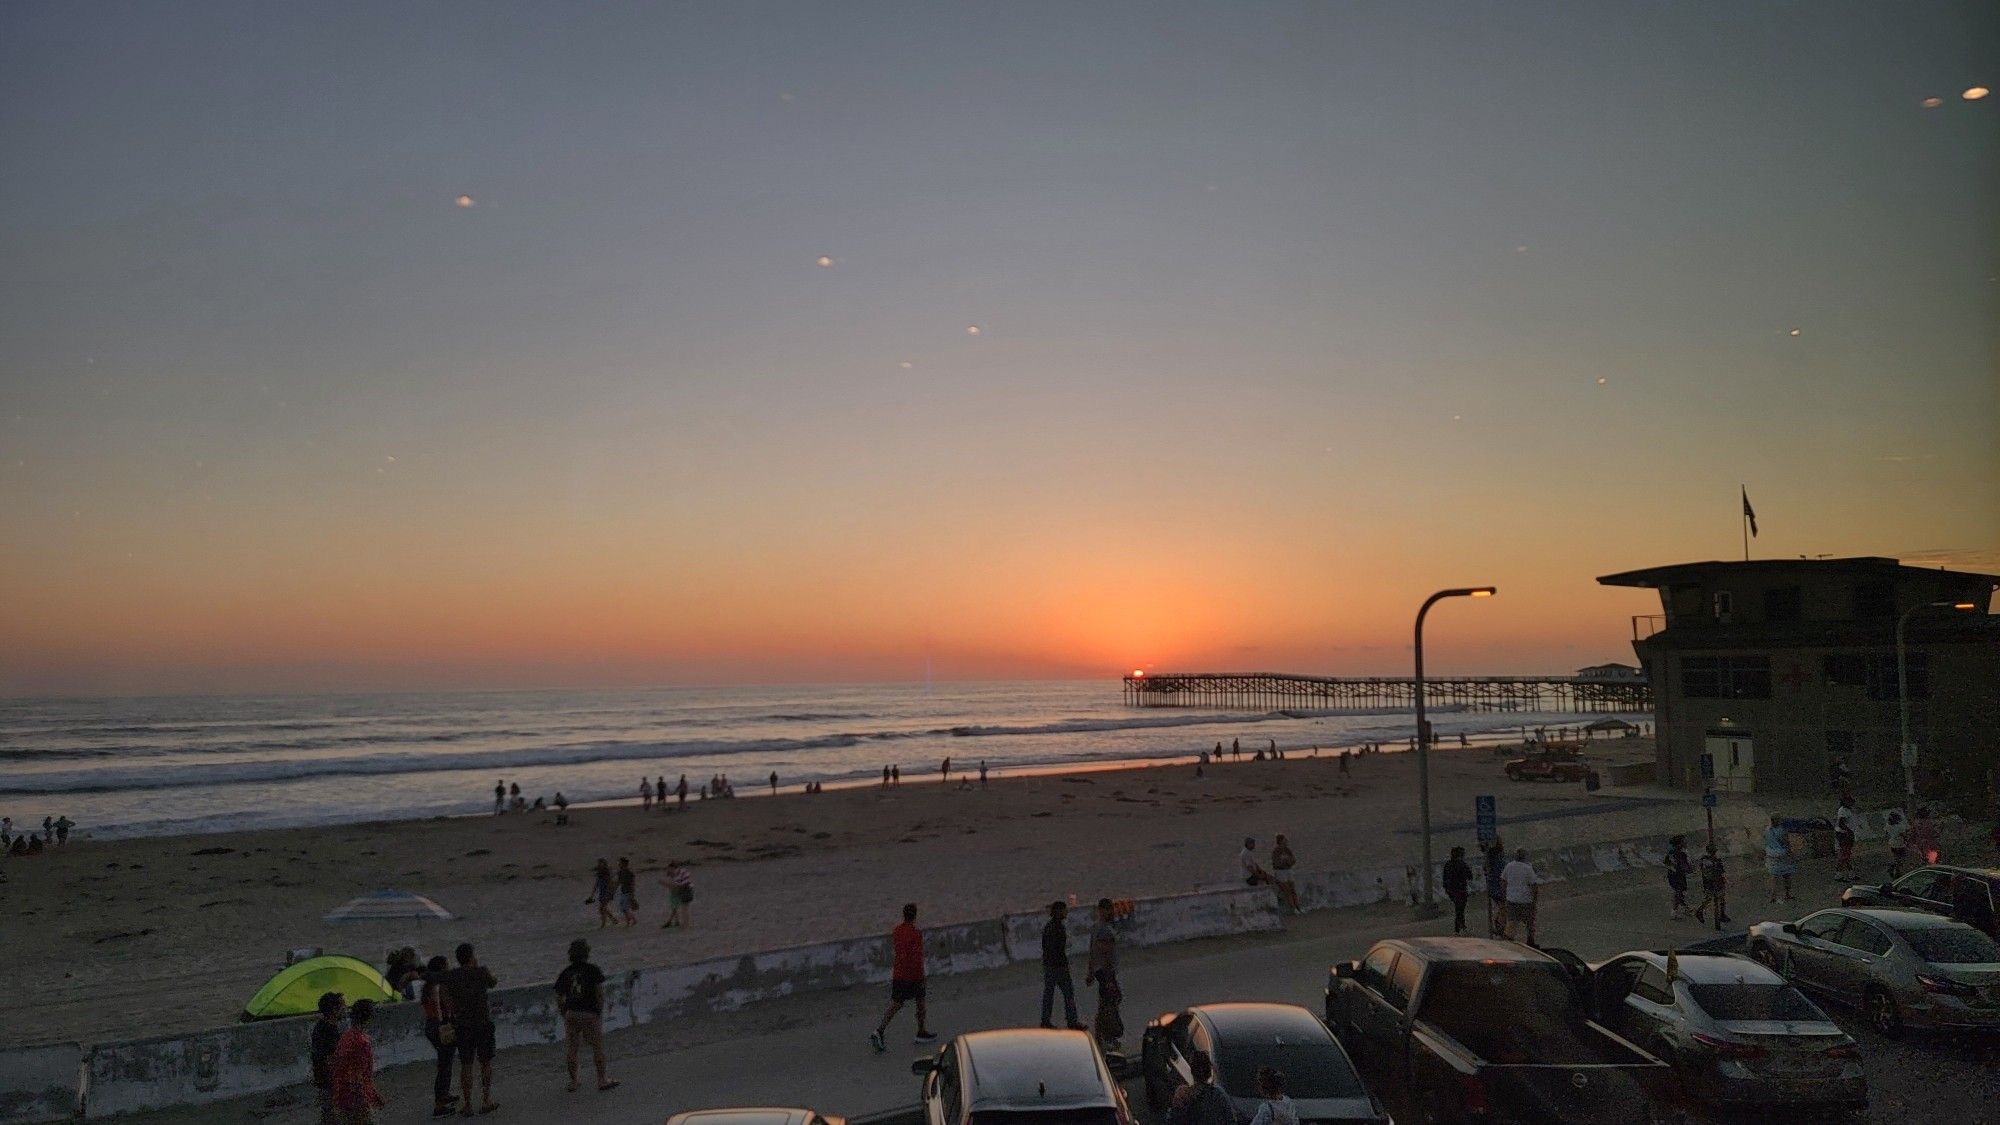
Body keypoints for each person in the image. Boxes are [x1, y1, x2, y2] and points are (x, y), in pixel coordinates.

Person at [871, 903, 938, 1050]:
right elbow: (916, 958)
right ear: (915, 916)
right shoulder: (915, 934)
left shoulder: (897, 931)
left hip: (899, 974)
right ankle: (920, 1031)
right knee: (920, 1003)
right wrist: (922, 977)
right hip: (913, 976)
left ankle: (880, 1030)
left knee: (896, 1004)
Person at [555, 939, 618, 1093]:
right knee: (597, 1047)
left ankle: (574, 1081)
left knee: (572, 1048)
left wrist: (564, 1011)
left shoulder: (566, 972)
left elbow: (559, 996)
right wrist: (598, 1012)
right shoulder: (593, 970)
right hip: (589, 1012)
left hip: (572, 1013)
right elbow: (599, 994)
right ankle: (602, 1079)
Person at [443, 943, 499, 1115]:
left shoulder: (452, 976)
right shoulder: (481, 972)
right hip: (482, 1023)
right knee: (485, 1062)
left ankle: (467, 1104)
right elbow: (493, 982)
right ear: (471, 957)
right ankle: (486, 1099)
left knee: (466, 1065)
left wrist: (454, 1011)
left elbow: (445, 995)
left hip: (463, 1025)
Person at [330, 999, 386, 1124]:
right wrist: (370, 1095)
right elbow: (359, 1075)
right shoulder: (361, 1041)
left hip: (342, 1093)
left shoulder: (346, 1036)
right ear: (369, 1018)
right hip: (355, 1096)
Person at [418, 955, 456, 1118]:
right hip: (441, 1027)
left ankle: (444, 1096)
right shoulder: (439, 986)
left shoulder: (428, 986)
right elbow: (446, 1006)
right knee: (444, 1066)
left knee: (444, 1064)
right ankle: (439, 1105)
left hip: (431, 1025)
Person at [1038, 900, 1084, 1030]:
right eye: (1064, 910)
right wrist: (1063, 964)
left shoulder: (1049, 927)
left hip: (1050, 966)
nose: (1066, 913)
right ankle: (1072, 1021)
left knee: (1049, 994)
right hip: (1058, 966)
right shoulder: (1057, 928)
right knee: (1068, 994)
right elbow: (1058, 949)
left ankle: (1045, 1020)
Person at [1085, 898, 1123, 1049]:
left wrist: (1090, 972)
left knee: (1104, 1003)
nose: (1112, 912)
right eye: (1109, 909)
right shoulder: (1104, 930)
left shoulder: (1097, 928)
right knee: (1110, 1003)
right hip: (1105, 972)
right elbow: (1104, 953)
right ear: (1102, 910)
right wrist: (1107, 978)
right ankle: (1107, 1036)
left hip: (1100, 971)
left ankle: (1101, 1036)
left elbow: (1092, 952)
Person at [1165, 1051, 1235, 1125]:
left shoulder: (1184, 1095)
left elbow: (1172, 1120)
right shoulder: (1219, 1094)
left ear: (1192, 1072)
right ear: (1209, 1072)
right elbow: (1230, 1120)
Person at [310, 991, 346, 1125]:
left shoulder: (322, 1027)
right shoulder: (328, 1031)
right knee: (332, 1115)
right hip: (330, 1080)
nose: (345, 1009)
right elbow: (330, 1059)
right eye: (342, 1006)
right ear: (334, 1010)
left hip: (325, 1079)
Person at [1502, 848, 1539, 945]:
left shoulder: (1509, 866)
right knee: (1530, 922)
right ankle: (1530, 941)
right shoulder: (1528, 868)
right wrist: (1534, 900)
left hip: (1511, 899)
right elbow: (1534, 885)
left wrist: (1506, 893)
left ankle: (1508, 941)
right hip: (1525, 900)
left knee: (1511, 921)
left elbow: (1503, 881)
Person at [1694, 843, 1729, 926]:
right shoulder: (1712, 861)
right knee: (1715, 898)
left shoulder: (1709, 860)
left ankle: (1720, 914)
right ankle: (1702, 911)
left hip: (1713, 882)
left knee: (1715, 898)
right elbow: (1716, 872)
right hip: (1713, 882)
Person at [1763, 813, 1796, 903]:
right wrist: (1791, 854)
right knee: (1787, 875)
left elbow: (1766, 841)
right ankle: (1787, 894)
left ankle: (1773, 896)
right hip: (1782, 854)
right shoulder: (1782, 830)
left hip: (1771, 854)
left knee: (1774, 876)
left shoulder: (1767, 830)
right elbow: (1786, 843)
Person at [1441, 846, 1472, 934]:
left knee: (1459, 908)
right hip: (1461, 889)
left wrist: (1446, 889)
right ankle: (1459, 927)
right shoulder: (1462, 864)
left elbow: (1445, 878)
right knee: (1460, 908)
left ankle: (1461, 925)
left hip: (1452, 890)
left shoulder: (1448, 864)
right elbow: (1470, 876)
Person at [1269, 835, 1301, 914]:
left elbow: (1293, 860)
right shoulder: (1276, 851)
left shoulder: (1288, 850)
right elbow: (1276, 863)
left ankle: (1298, 907)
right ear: (1280, 841)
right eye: (1284, 840)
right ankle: (1293, 908)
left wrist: (1287, 862)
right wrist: (1286, 862)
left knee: (1293, 889)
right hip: (1280, 872)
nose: (1286, 841)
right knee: (1287, 890)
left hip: (1288, 871)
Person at [1483, 839, 1508, 937]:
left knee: (1501, 907)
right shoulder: (1499, 860)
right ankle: (1500, 927)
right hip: (1499, 887)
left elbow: (1486, 870)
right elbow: (1503, 874)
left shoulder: (1490, 860)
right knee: (1503, 908)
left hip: (1492, 887)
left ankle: (1499, 926)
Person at [1664, 836, 1692, 920]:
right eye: (1683, 841)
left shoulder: (1671, 852)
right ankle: (1674, 911)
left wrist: (1671, 868)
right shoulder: (1681, 854)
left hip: (1672, 875)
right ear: (1679, 844)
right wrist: (1690, 869)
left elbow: (1666, 862)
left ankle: (1685, 907)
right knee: (1679, 892)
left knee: (1679, 892)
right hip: (1679, 876)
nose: (1685, 843)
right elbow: (1685, 866)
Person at [661, 860, 692, 928]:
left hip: (680, 891)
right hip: (682, 891)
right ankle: (681, 922)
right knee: (680, 908)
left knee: (681, 908)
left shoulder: (678, 874)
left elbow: (676, 885)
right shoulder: (681, 872)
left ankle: (684, 924)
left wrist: (663, 883)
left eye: (670, 868)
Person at [587, 859, 616, 928]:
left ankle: (604, 924)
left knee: (602, 908)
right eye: (599, 864)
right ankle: (613, 920)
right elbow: (596, 885)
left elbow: (610, 883)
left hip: (607, 892)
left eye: (601, 863)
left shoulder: (607, 874)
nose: (600, 865)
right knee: (603, 908)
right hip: (602, 893)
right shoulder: (599, 874)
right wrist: (591, 896)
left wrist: (609, 892)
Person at [1833, 795, 1857, 878]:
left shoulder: (1847, 810)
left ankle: (1851, 873)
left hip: (1845, 834)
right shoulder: (1843, 810)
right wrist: (1849, 832)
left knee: (1847, 855)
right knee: (1843, 855)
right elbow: (1841, 823)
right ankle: (1839, 874)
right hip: (1844, 834)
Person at [615, 857, 639, 927]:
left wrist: (632, 894)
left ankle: (629, 922)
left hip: (628, 892)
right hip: (623, 891)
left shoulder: (629, 873)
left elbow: (632, 883)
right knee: (623, 908)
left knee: (625, 908)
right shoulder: (620, 872)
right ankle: (633, 920)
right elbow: (618, 882)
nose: (618, 864)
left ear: (624, 864)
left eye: (620, 863)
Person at [1886, 808, 1910, 876]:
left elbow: (1887, 834)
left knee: (1896, 857)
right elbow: (1903, 835)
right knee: (1901, 858)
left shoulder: (1888, 826)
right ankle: (1897, 871)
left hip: (1892, 843)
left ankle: (1893, 868)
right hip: (1900, 844)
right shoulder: (1899, 827)